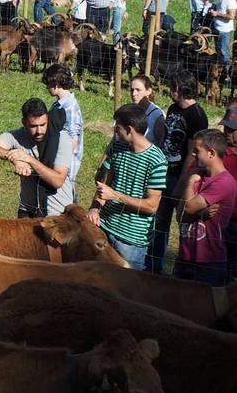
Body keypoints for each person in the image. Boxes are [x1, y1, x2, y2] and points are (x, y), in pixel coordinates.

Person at [92, 102, 167, 271]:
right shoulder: (117, 148)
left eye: (117, 128)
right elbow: (104, 185)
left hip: (131, 242)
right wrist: (95, 209)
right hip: (104, 229)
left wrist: (116, 196)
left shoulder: (156, 161)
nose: (115, 132)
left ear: (129, 129)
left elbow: (152, 206)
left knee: (127, 290)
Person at [149, 72, 209, 273]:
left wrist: (182, 184)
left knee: (183, 223)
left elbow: (193, 155)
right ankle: (155, 265)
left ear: (180, 90)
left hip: (180, 175)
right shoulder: (174, 108)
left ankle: (183, 267)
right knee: (159, 222)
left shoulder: (197, 117)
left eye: (172, 87)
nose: (169, 91)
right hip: (164, 169)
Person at [0, 98, 72, 217]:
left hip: (58, 213)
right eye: (33, 126)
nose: (39, 131)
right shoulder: (18, 136)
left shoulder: (62, 139)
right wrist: (14, 157)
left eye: (43, 124)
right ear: (24, 122)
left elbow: (57, 181)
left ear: (47, 119)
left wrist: (29, 159)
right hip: (27, 211)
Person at [175, 129, 237, 283]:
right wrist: (200, 213)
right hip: (185, 256)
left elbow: (188, 208)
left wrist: (190, 183)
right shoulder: (198, 175)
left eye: (197, 151)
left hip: (209, 262)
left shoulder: (224, 182)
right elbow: (180, 216)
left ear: (211, 153)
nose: (193, 155)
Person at [42, 63, 84, 198]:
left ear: (55, 83)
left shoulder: (70, 108)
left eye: (48, 84)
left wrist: (60, 166)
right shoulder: (59, 104)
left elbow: (72, 141)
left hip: (64, 169)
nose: (47, 87)